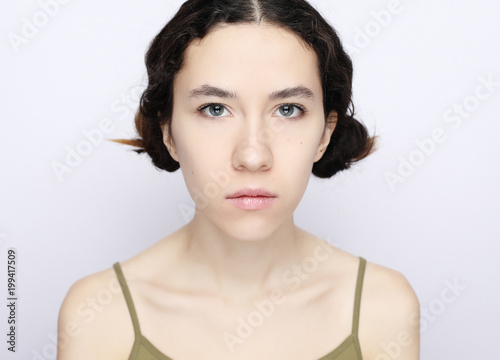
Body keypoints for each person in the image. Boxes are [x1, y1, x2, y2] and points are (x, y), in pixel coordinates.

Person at [57, 0, 420, 359]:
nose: (252, 156)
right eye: (214, 109)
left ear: (325, 134)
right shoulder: (98, 314)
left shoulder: (384, 308)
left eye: (288, 109)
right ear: (168, 131)